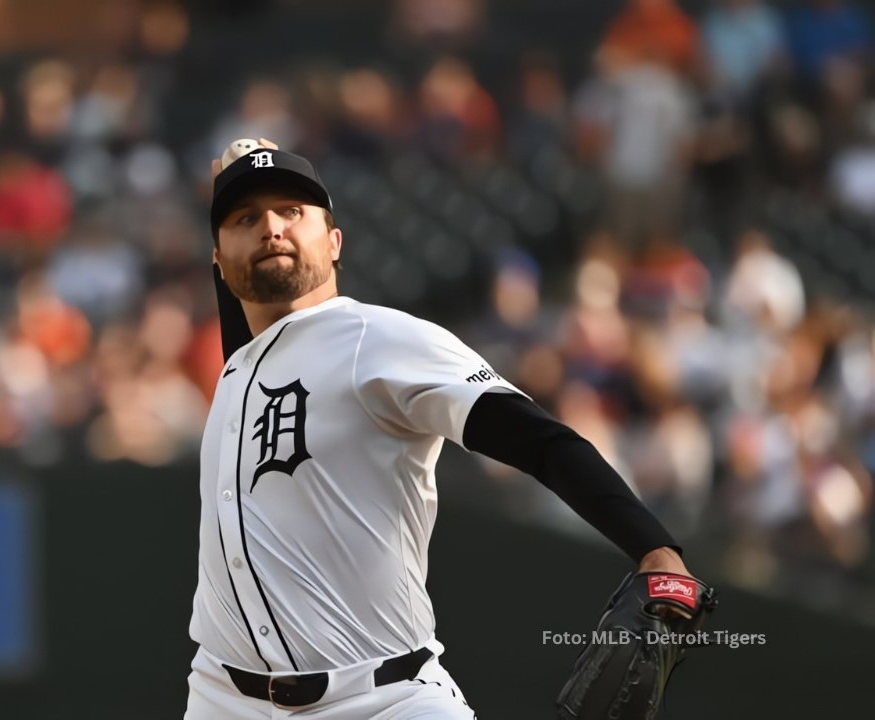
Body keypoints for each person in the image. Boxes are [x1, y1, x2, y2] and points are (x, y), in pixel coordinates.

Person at [184, 139, 695, 718]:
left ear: (334, 242)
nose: (271, 228)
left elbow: (535, 438)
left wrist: (654, 546)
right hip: (223, 700)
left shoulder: (376, 339)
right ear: (218, 262)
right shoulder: (239, 368)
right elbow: (253, 333)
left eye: (292, 212)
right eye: (246, 219)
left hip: (383, 699)